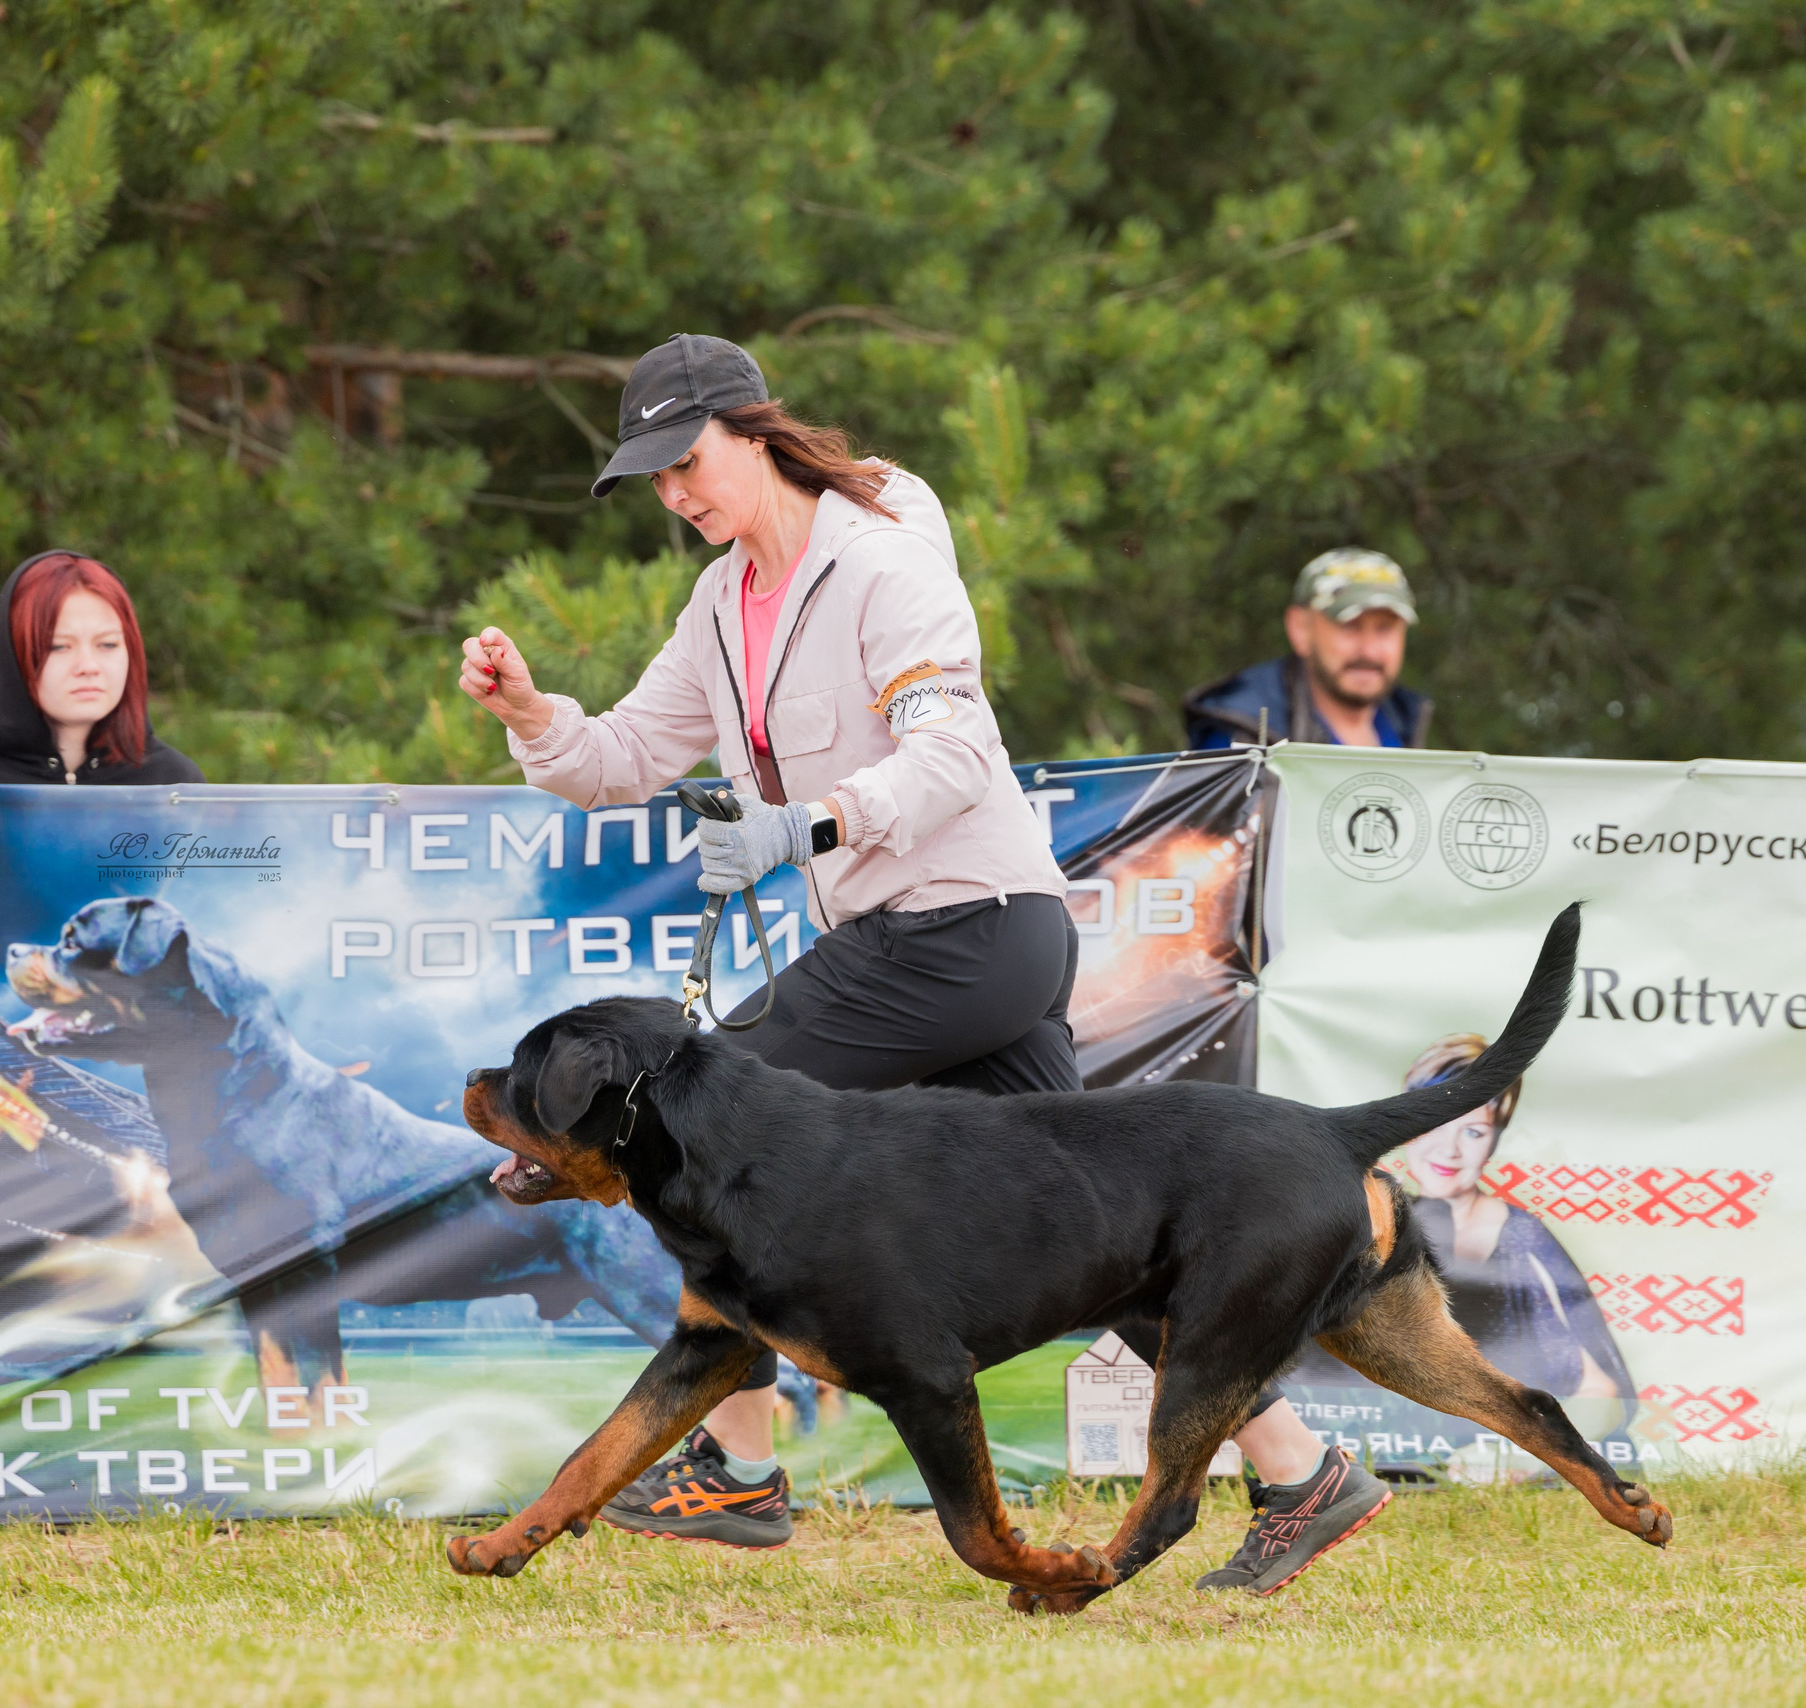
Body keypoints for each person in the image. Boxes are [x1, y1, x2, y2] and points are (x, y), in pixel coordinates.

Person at [460, 334, 1367, 1586]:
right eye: (650, 476)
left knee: (706, 1116)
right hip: (932, 942)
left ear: (754, 430)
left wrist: (801, 824)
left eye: (687, 459)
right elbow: (618, 757)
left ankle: (734, 1466)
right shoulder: (722, 604)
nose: (673, 492)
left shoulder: (885, 565)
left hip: (968, 928)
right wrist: (529, 714)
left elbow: (946, 760)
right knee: (1090, 1225)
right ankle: (1301, 1472)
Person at [1395, 1034, 1633, 1408]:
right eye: (1437, 1122)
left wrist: (1522, 1460)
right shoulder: (1376, 1220)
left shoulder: (1520, 1236)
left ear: (1495, 1141)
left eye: (1473, 1132)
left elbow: (1600, 1390)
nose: (1449, 1148)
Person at [0, 551, 204, 786]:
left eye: (107, 644)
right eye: (58, 647)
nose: (88, 666)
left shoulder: (173, 785)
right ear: (14, 654)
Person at [1182, 548, 1433, 750]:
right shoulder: (1244, 734)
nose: (1369, 651)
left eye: (1385, 629)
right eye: (1350, 626)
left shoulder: (1404, 721)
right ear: (1301, 629)